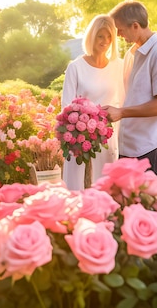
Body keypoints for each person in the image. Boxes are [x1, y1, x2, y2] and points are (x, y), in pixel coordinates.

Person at [103, 0, 157, 176]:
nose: (119, 35)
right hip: (129, 147)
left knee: (147, 204)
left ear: (136, 26)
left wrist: (121, 112)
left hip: (150, 148)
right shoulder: (132, 55)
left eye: (120, 30)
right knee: (128, 203)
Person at [62, 14, 124, 190]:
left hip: (108, 141)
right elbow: (66, 108)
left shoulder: (118, 66)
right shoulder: (75, 67)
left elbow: (122, 102)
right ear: (92, 36)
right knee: (78, 188)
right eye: (100, 36)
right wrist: (80, 132)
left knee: (104, 190)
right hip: (80, 140)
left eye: (109, 36)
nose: (105, 41)